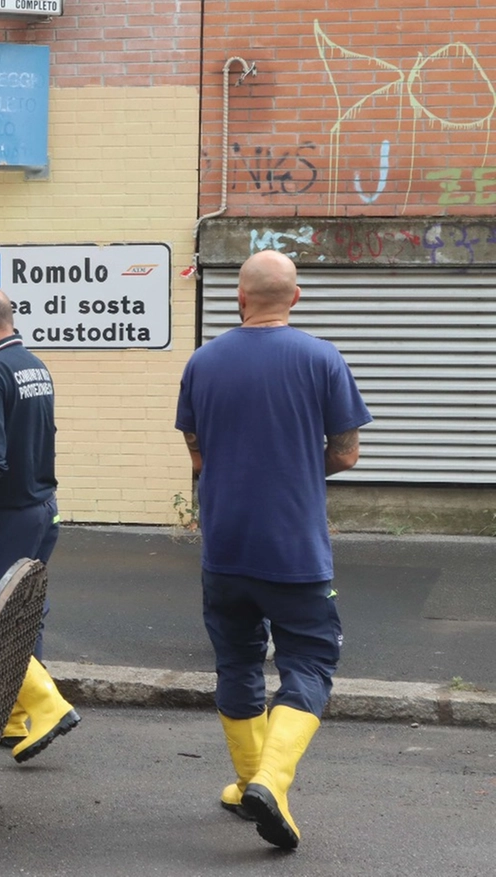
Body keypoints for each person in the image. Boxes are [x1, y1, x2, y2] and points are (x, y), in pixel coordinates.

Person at [176, 249, 371, 851]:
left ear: (239, 297)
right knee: (310, 661)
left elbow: (198, 454)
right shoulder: (322, 358)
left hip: (225, 546)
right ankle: (272, 778)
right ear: (296, 296)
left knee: (236, 662)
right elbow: (344, 454)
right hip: (293, 549)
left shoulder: (202, 362)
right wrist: (293, 468)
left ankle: (248, 783)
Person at [0, 286, 79, 763]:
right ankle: (12, 716)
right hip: (41, 509)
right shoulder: (33, 367)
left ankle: (46, 706)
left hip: (5, 515)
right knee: (22, 612)